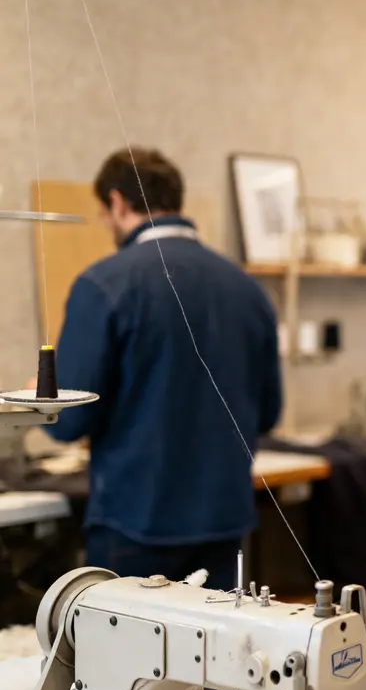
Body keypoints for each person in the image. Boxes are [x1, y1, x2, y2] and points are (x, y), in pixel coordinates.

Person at [45, 147, 282, 592]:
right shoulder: (248, 289)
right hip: (225, 522)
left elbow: (69, 418)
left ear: (117, 202)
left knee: (126, 661)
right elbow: (267, 414)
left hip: (135, 523)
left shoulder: (102, 284)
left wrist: (40, 400)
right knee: (216, 658)